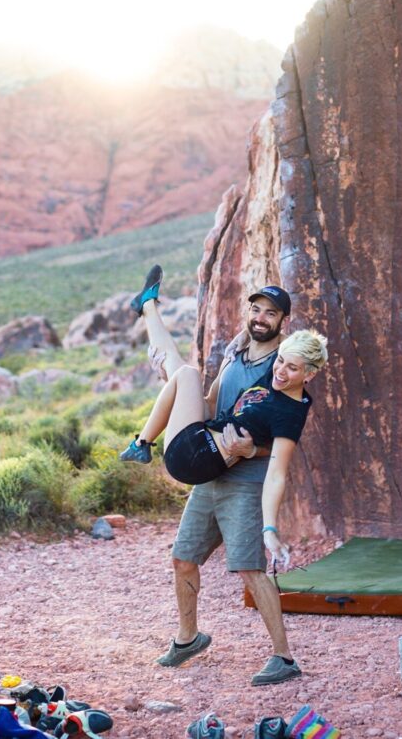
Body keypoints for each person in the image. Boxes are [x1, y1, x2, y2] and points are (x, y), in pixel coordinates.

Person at [119, 265, 328, 686]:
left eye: (271, 313)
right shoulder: (237, 352)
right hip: (209, 469)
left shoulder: (280, 367)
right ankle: (188, 638)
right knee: (183, 559)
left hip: (244, 481)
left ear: (283, 324)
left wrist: (253, 450)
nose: (261, 317)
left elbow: (283, 447)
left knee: (251, 568)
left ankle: (284, 658)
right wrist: (184, 397)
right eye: (257, 309)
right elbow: (215, 401)